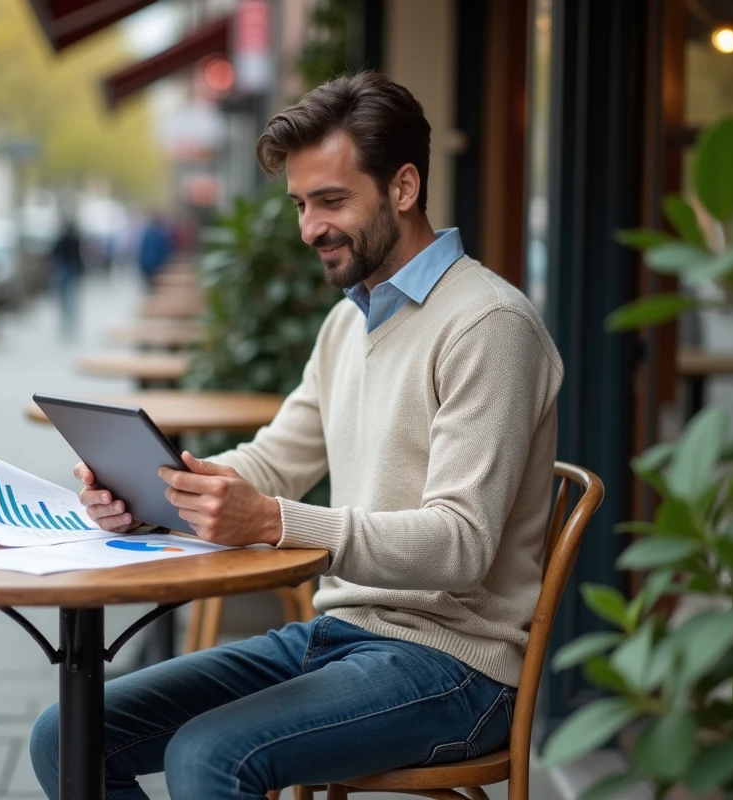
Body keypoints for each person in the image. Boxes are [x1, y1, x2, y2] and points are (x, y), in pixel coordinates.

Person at [30, 72, 565, 799]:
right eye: (301, 204)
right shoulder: (350, 320)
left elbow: (461, 544)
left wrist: (277, 522)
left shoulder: (489, 326)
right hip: (335, 638)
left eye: (332, 201)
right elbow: (272, 459)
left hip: (455, 669)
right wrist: (151, 488)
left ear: (403, 188)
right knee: (68, 733)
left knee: (209, 757)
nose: (310, 227)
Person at [50, 219, 85, 338]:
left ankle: (66, 320)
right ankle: (71, 320)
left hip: (64, 270)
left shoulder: (62, 239)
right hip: (72, 270)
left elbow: (54, 253)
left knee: (64, 297)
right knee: (72, 297)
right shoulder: (75, 239)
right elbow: (79, 256)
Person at [137, 212, 173, 288]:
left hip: (147, 263)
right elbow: (164, 250)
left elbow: (142, 249)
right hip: (156, 263)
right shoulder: (161, 234)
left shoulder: (147, 233)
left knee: (150, 285)